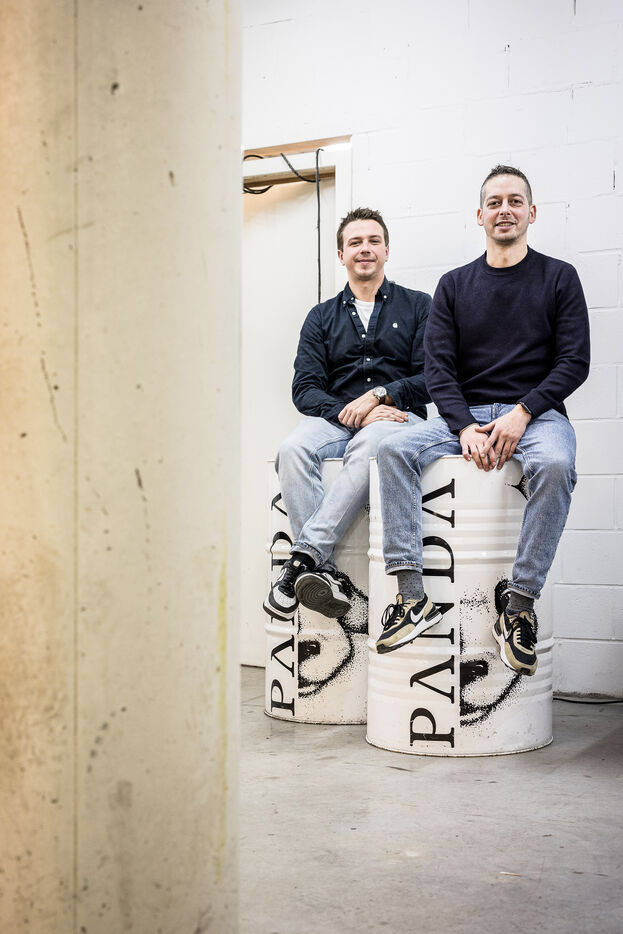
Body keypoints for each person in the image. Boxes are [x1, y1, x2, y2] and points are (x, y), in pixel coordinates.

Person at [375, 165, 590, 676]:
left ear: (531, 212)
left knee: (556, 464)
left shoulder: (559, 277)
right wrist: (464, 426)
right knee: (392, 448)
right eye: (495, 202)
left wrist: (523, 412)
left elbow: (574, 361)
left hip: (537, 416)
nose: (504, 210)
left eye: (515, 201)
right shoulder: (454, 285)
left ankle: (518, 606)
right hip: (466, 415)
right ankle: (412, 598)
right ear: (479, 215)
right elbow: (438, 369)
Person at [263, 207, 431, 622]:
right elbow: (304, 389)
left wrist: (380, 397)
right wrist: (350, 413)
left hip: (398, 419)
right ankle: (324, 573)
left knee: (370, 445)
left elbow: (433, 378)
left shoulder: (419, 306)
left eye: (373, 241)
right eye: (355, 242)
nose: (365, 249)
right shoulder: (321, 317)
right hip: (339, 420)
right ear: (341, 255)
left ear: (387, 250)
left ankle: (302, 560)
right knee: (292, 449)